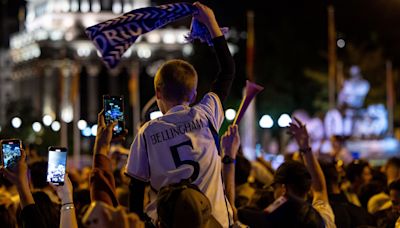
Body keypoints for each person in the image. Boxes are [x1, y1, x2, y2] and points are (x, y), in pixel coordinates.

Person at [125, 2, 235, 227]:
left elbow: (135, 194)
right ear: (194, 95)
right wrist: (212, 23)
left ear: (158, 92)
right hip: (215, 223)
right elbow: (227, 71)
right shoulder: (206, 115)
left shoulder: (146, 133)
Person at [238, 117, 336, 228]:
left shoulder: (280, 220)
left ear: (283, 189)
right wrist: (306, 148)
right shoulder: (320, 219)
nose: (274, 193)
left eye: (275, 187)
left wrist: (228, 161)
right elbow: (320, 189)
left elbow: (232, 214)